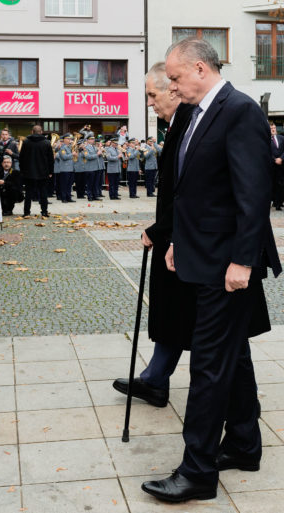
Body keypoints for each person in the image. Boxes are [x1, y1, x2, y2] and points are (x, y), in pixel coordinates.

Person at [141, 37, 282, 503]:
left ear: (200, 69)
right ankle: (243, 443)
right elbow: (193, 191)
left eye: (176, 78)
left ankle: (198, 471)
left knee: (208, 364)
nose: (173, 87)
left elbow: (252, 194)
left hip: (228, 263)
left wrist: (243, 260)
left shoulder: (239, 111)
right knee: (231, 355)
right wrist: (177, 239)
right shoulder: (194, 113)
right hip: (200, 254)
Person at [112, 62, 198, 409]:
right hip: (173, 235)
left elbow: (188, 190)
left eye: (153, 94)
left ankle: (158, 380)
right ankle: (155, 379)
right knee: (172, 311)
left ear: (174, 89)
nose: (150, 102)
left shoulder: (189, 125)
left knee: (183, 314)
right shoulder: (177, 125)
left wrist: (161, 231)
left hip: (185, 240)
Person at [19, 125, 53, 217]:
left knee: (28, 193)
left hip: (29, 172)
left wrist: (22, 171)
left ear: (32, 131)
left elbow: (21, 158)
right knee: (43, 193)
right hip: (43, 172)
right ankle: (44, 212)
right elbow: (51, 159)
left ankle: (26, 212)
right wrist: (51, 172)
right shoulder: (46, 142)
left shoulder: (26, 142)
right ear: (41, 132)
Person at [270, 123, 284, 211]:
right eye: (271, 128)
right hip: (271, 166)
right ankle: (272, 201)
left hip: (281, 165)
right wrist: (274, 159)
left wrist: (281, 158)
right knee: (272, 185)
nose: (273, 129)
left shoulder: (281, 138)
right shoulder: (266, 139)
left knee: (280, 185)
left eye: (274, 128)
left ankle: (278, 203)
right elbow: (266, 151)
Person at [54, 135, 76, 202]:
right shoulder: (62, 148)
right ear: (64, 139)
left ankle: (68, 197)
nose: (70, 140)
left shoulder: (69, 147)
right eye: (68, 139)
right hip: (65, 169)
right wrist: (72, 154)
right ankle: (63, 198)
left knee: (69, 184)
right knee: (64, 185)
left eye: (70, 139)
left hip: (71, 168)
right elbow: (64, 157)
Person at [82, 135, 100, 201]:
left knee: (95, 183)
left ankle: (95, 196)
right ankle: (89, 196)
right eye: (91, 139)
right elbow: (88, 157)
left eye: (93, 139)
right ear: (88, 140)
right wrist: (97, 154)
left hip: (96, 167)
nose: (93, 140)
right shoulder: (86, 148)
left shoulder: (94, 147)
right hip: (90, 168)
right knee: (90, 183)